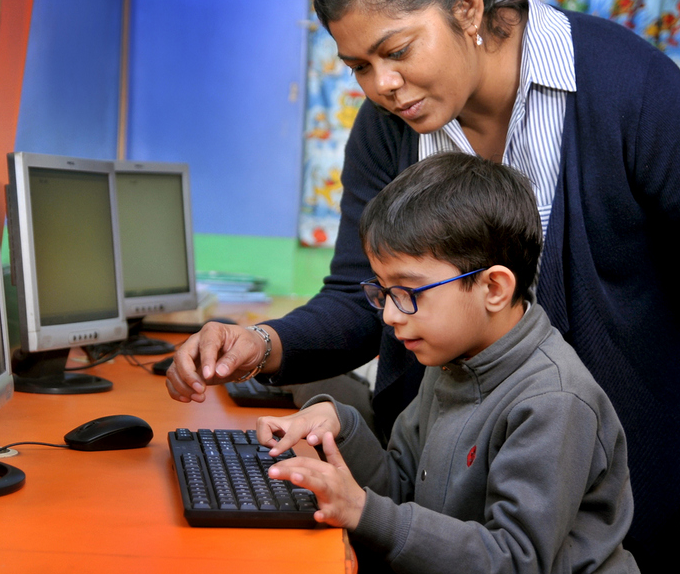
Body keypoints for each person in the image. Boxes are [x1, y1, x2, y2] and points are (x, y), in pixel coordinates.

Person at [165, 0, 680, 569]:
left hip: (614, 510)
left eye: (396, 50)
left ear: (468, 7)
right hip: (443, 496)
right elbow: (360, 298)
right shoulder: (388, 128)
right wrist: (265, 342)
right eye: (358, 65)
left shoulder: (627, 88)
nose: (381, 85)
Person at [259, 152, 638, 574]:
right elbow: (404, 488)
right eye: (383, 291)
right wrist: (341, 427)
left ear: (493, 287)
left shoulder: (555, 400)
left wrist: (363, 510)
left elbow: (516, 561)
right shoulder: (451, 359)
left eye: (408, 292)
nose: (389, 315)